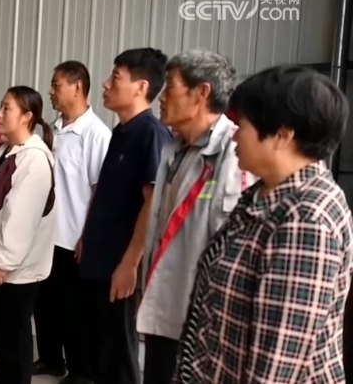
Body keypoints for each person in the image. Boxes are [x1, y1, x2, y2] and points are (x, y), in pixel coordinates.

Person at [173, 65, 352, 383]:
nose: (234, 133)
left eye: (242, 124)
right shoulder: (263, 195)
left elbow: (276, 364)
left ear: (282, 135)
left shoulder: (306, 220)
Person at [136, 50, 253, 384]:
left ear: (201, 93)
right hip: (165, 307)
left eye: (170, 85)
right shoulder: (175, 149)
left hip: (202, 323)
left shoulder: (234, 154)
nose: (161, 97)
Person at [76, 48, 172, 384]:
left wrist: (130, 263)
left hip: (120, 267)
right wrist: (86, 236)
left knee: (119, 353)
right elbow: (106, 193)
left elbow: (153, 201)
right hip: (100, 261)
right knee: (100, 350)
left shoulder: (151, 134)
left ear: (141, 87)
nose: (105, 84)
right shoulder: (120, 132)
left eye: (115, 77)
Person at [0, 86, 58, 384]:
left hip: (14, 271)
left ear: (27, 117)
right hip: (1, 267)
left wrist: (4, 261)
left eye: (7, 108)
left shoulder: (34, 159)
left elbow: (22, 217)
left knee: (12, 342)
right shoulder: (7, 153)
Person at [34, 61, 110, 383]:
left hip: (73, 237)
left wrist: (87, 236)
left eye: (56, 85)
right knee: (45, 303)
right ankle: (51, 359)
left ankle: (81, 371)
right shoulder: (52, 131)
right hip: (46, 235)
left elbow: (100, 191)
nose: (51, 92)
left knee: (75, 311)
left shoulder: (96, 135)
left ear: (77, 87)